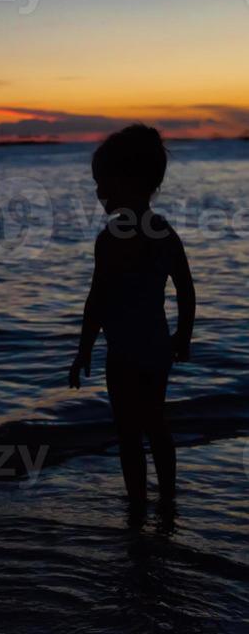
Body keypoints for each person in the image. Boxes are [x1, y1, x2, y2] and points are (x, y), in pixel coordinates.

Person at [69, 125, 195, 512]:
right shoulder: (163, 232)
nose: (98, 193)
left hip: (124, 352)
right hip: (155, 347)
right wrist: (182, 336)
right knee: (155, 423)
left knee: (129, 431)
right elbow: (186, 291)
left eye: (103, 184)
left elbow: (98, 298)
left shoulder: (110, 239)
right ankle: (166, 498)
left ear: (130, 181)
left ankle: (139, 505)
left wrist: (84, 347)